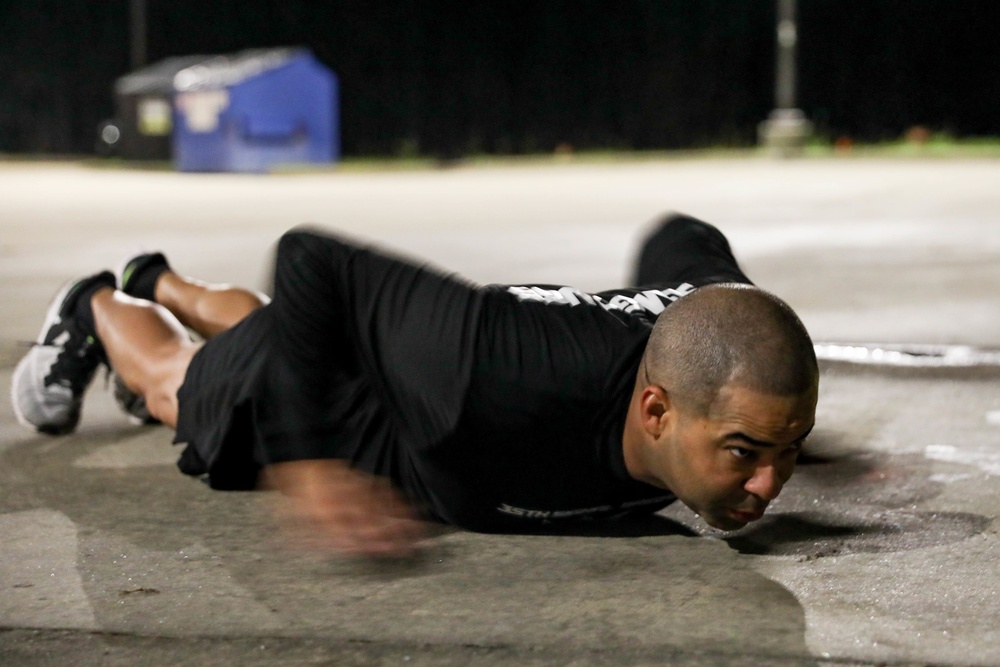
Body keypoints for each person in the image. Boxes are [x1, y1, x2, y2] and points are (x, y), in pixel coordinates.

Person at [11, 214, 818, 556]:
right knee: (178, 387)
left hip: (417, 355)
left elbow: (685, 238)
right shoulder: (493, 373)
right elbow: (312, 260)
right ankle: (99, 302)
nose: (770, 483)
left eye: (787, 451)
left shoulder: (716, 342)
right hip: (363, 404)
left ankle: (170, 281)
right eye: (745, 451)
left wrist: (766, 426)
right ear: (655, 408)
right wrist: (306, 457)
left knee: (276, 323)